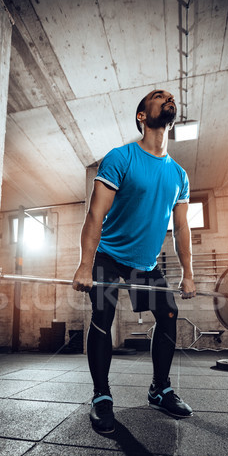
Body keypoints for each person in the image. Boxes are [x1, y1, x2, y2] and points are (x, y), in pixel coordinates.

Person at [72, 89, 196, 433]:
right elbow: (95, 215)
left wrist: (188, 273)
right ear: (142, 116)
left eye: (171, 97)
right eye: (159, 96)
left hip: (145, 262)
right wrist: (85, 264)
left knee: (168, 313)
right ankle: (101, 396)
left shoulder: (179, 175)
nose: (167, 98)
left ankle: (160, 389)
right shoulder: (121, 157)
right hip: (109, 255)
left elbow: (182, 227)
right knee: (103, 315)